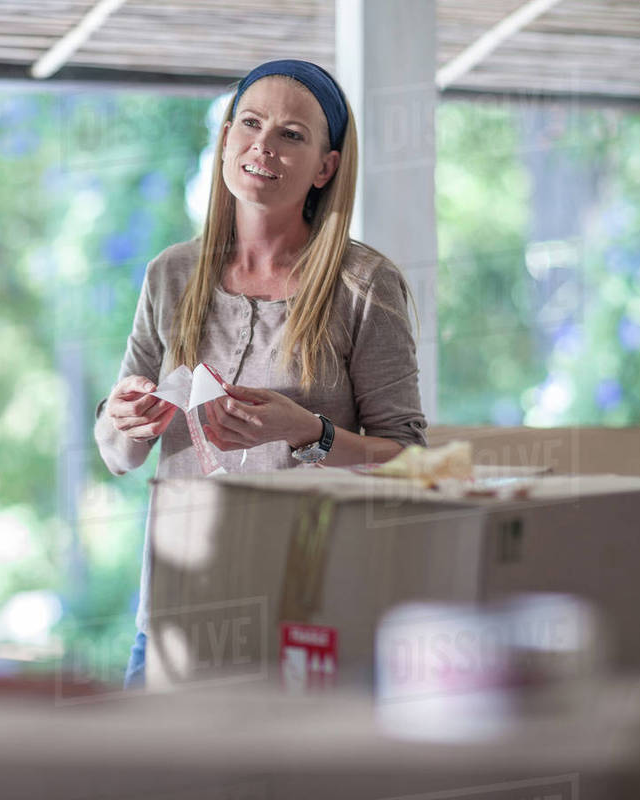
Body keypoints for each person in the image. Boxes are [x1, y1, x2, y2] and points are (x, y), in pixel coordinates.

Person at [93, 60, 428, 688]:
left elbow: (410, 463)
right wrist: (127, 420)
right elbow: (118, 456)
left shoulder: (365, 287)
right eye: (249, 123)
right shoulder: (170, 275)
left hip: (313, 615)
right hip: (176, 612)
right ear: (225, 139)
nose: (263, 145)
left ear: (325, 167)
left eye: (292, 134)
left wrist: (310, 435)